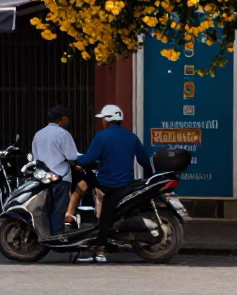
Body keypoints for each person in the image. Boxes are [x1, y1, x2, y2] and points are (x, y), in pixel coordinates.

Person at [74, 104, 151, 263]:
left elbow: (88, 159)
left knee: (104, 217)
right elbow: (144, 161)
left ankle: (100, 251)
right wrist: (148, 178)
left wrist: (75, 160)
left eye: (103, 118)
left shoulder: (101, 137)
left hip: (108, 185)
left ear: (108, 120)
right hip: (127, 185)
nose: (101, 121)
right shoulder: (132, 137)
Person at [29, 106, 78, 236]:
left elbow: (35, 157)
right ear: (62, 119)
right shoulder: (63, 134)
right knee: (59, 208)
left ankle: (45, 234)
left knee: (45, 208)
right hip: (61, 177)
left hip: (43, 178)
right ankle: (57, 235)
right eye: (67, 119)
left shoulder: (38, 134)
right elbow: (72, 156)